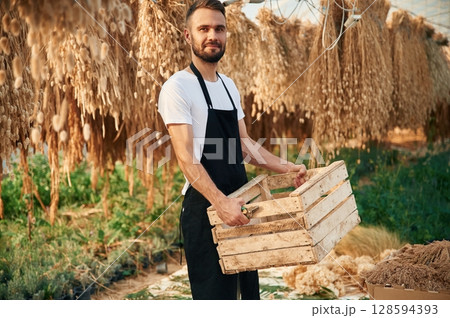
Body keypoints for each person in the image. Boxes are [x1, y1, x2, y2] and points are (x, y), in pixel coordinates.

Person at [157, 0, 307, 300]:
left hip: (240, 206)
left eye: (219, 29)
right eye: (204, 29)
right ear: (188, 36)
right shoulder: (177, 87)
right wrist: (220, 203)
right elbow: (186, 157)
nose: (212, 35)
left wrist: (286, 167)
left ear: (226, 35)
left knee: (247, 295)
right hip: (205, 210)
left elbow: (244, 144)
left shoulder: (228, 85)